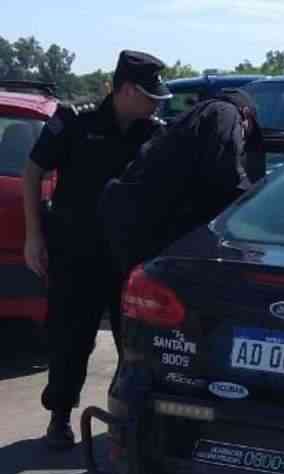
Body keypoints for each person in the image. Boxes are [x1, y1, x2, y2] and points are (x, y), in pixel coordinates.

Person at [22, 50, 169, 450]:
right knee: (70, 339)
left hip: (128, 260)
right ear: (126, 90)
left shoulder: (155, 133)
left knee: (134, 346)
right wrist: (33, 237)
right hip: (76, 254)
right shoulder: (75, 120)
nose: (157, 104)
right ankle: (59, 416)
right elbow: (32, 171)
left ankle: (126, 422)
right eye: (150, 96)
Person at [100, 89, 264, 277]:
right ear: (246, 114)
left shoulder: (200, 114)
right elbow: (227, 175)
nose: (245, 140)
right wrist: (252, 208)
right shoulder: (227, 113)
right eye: (247, 134)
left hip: (131, 211)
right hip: (144, 220)